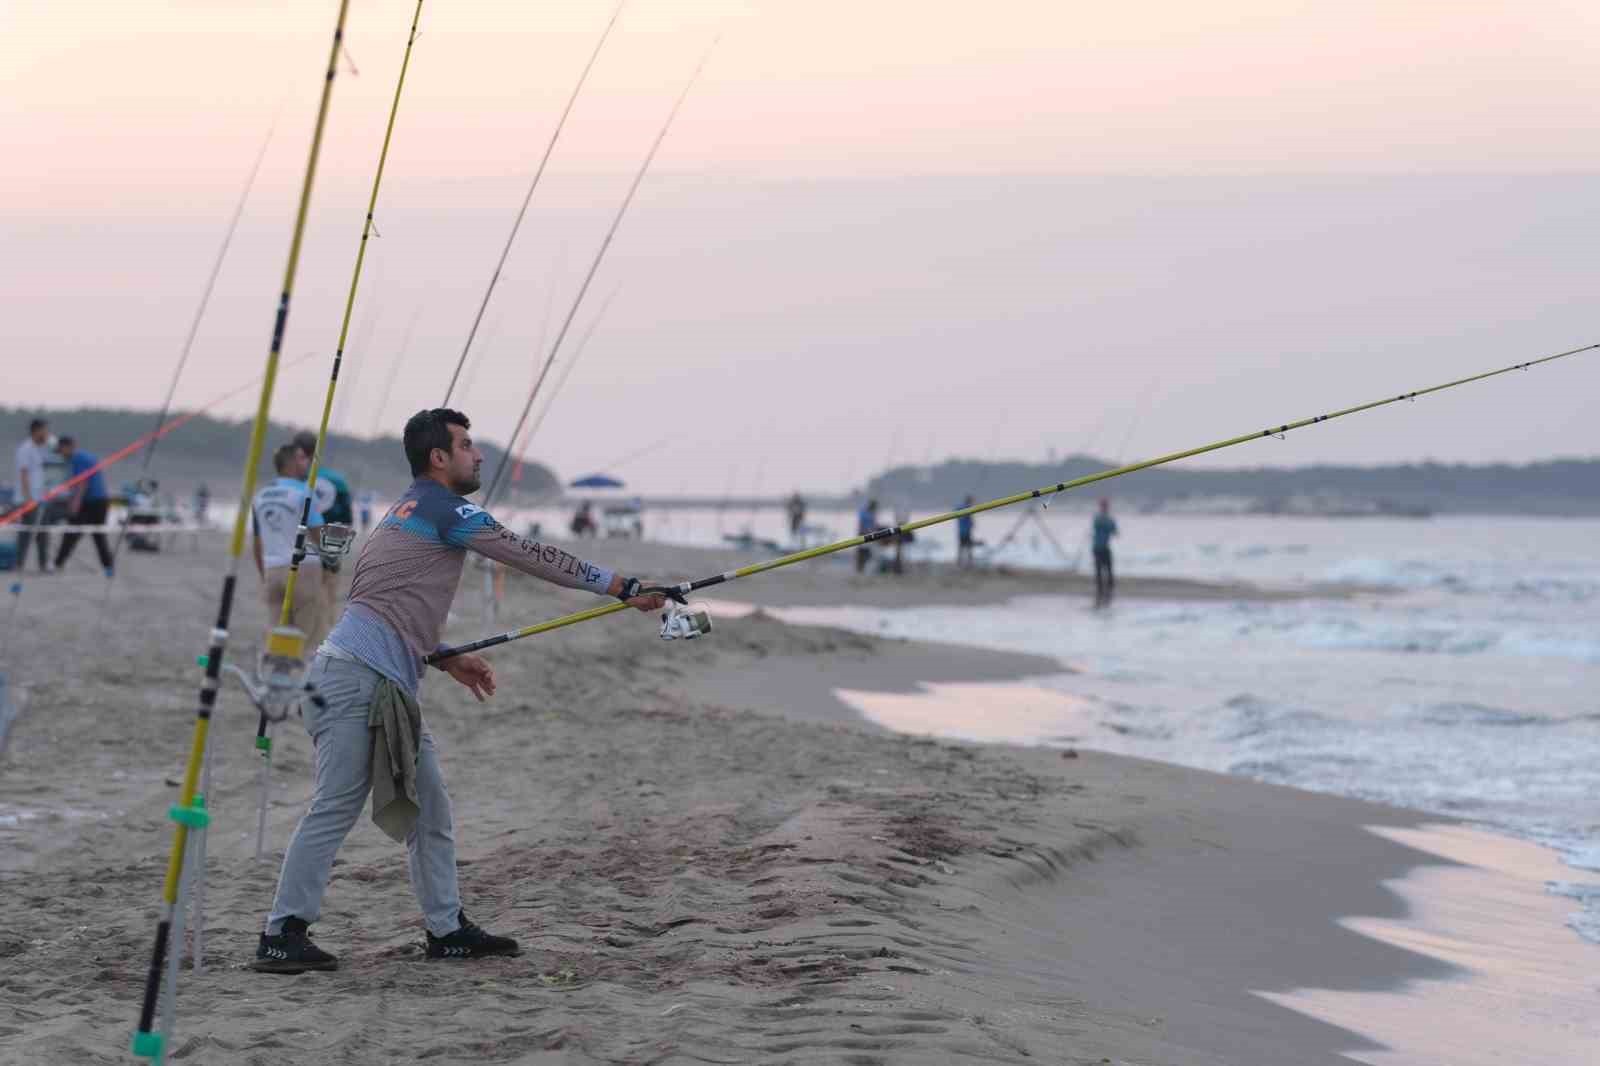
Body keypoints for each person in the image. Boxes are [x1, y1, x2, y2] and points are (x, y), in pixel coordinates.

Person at [251, 408, 665, 973]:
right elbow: (530, 553)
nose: (479, 455)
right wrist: (624, 587)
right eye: (468, 445)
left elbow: (393, 606)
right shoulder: (445, 509)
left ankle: (446, 930)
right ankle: (282, 934)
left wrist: (444, 659)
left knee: (431, 812)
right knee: (336, 804)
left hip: (382, 680)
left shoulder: (406, 510)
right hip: (353, 680)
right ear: (439, 458)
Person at [252, 443, 327, 651]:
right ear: (291, 463)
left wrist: (263, 573)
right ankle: (303, 675)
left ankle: (275, 669)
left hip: (272, 568)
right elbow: (318, 535)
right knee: (308, 629)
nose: (307, 463)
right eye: (302, 458)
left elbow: (257, 542)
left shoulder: (260, 497)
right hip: (304, 567)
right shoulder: (304, 493)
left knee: (276, 626)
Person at [293, 432, 351, 624]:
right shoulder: (339, 481)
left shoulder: (297, 481)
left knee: (301, 602)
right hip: (332, 549)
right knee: (328, 600)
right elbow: (347, 521)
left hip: (302, 548)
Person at [52, 436, 114, 575]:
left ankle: (58, 564)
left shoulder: (78, 458)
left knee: (73, 533)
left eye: (61, 451)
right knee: (97, 535)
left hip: (92, 501)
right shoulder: (84, 457)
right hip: (99, 500)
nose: (61, 455)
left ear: (68, 447)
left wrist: (74, 505)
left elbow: (82, 483)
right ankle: (108, 566)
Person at [13, 418, 53, 572]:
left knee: (42, 532)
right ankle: (19, 563)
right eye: (45, 430)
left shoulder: (41, 449)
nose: (47, 434)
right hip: (27, 499)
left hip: (40, 498)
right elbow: (23, 474)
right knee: (26, 533)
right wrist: (28, 498)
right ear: (36, 431)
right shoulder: (26, 448)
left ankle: (42, 564)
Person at [1091, 498, 1119, 608]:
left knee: (1109, 569)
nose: (1105, 508)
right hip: (1097, 547)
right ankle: (1100, 590)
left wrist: (1110, 525)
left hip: (1105, 547)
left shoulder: (1108, 519)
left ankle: (1109, 589)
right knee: (1099, 570)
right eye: (1104, 506)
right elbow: (1098, 525)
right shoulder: (1098, 518)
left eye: (1106, 506)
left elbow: (1115, 531)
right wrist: (1109, 525)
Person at [855, 498, 878, 574]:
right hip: (863, 534)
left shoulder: (872, 514)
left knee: (867, 553)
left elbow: (873, 525)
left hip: (869, 535)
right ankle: (860, 569)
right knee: (862, 552)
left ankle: (862, 568)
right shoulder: (864, 512)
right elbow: (861, 524)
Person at [955, 495, 976, 569]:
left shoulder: (960, 508)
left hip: (961, 531)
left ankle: (960, 563)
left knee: (962, 548)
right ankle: (969, 563)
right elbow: (970, 521)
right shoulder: (967, 508)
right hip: (965, 531)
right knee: (968, 547)